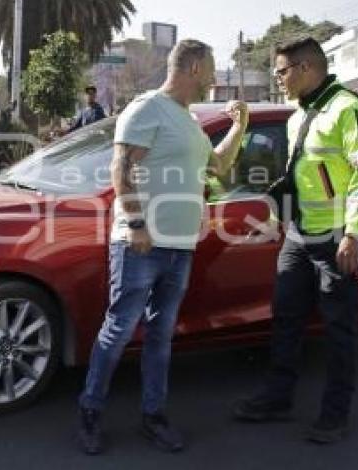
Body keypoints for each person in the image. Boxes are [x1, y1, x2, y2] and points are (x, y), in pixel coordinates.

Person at [76, 40, 248, 455]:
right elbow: (121, 167)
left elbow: (218, 166)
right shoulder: (147, 108)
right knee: (118, 330)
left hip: (180, 247)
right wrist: (135, 222)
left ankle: (154, 416)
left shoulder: (188, 121)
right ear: (191, 67)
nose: (213, 78)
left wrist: (239, 127)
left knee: (161, 336)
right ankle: (90, 414)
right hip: (141, 244)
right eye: (209, 69)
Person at [232, 37, 358, 445]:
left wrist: (355, 233)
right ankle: (278, 397)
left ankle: (335, 414)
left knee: (339, 329)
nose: (278, 79)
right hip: (299, 235)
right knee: (286, 317)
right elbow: (302, 175)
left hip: (336, 238)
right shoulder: (298, 116)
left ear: (304, 68)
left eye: (281, 71)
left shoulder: (352, 110)